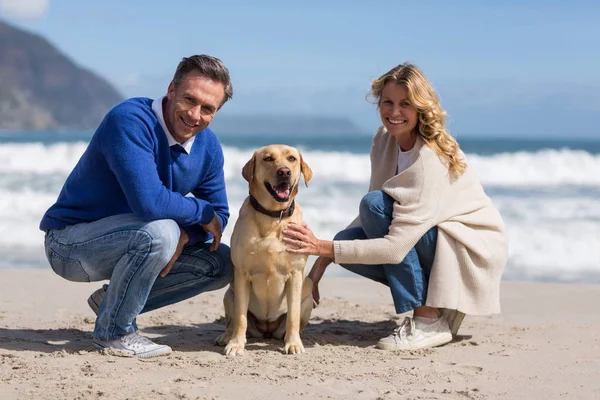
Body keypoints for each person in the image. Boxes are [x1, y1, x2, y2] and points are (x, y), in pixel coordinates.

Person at [282, 63, 508, 351]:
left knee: (372, 210)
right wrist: (320, 265)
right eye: (387, 102)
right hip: (435, 239)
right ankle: (440, 305)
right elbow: (375, 215)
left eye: (405, 104)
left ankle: (428, 320)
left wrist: (319, 247)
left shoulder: (428, 160)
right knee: (348, 240)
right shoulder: (383, 140)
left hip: (468, 250)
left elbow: (393, 246)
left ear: (421, 108)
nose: (394, 112)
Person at [39, 54, 234, 358]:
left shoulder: (208, 148)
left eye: (208, 109)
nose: (195, 115)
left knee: (222, 263)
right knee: (162, 232)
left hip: (139, 240)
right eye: (189, 100)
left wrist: (189, 235)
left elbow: (219, 218)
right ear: (171, 89)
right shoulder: (130, 119)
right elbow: (149, 202)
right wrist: (199, 215)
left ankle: (111, 304)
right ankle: (115, 332)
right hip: (70, 245)